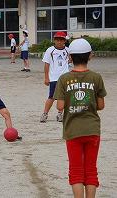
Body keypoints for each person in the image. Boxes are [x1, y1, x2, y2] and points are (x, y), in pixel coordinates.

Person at [54, 38, 106, 198]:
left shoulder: (64, 79)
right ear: (90, 56)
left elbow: (60, 106)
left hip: (72, 130)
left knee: (76, 170)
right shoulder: (96, 77)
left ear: (70, 57)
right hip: (92, 129)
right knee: (91, 169)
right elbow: (101, 105)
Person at [40, 31, 70, 123]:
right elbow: (46, 64)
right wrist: (46, 77)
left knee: (63, 97)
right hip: (54, 78)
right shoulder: (50, 50)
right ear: (54, 40)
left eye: (61, 40)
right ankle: (45, 114)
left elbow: (71, 60)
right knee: (51, 97)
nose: (59, 42)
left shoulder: (68, 50)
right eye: (57, 40)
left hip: (65, 77)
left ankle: (60, 114)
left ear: (65, 41)